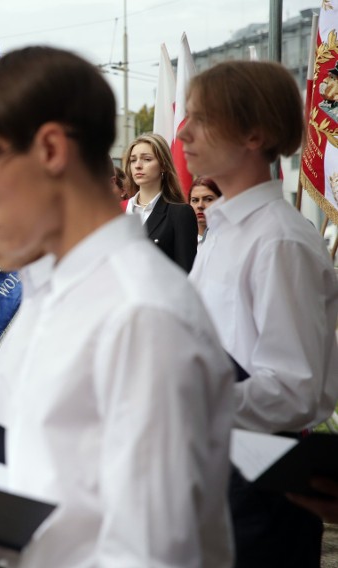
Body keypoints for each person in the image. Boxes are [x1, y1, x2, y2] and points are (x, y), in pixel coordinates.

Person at [0, 46, 235, 567]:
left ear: (49, 150)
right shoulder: (50, 292)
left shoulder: (139, 313)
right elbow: (58, 496)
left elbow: (153, 553)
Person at [181, 60, 338, 568]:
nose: (183, 131)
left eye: (202, 118)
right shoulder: (223, 230)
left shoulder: (279, 240)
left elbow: (295, 388)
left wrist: (183, 399)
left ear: (254, 133)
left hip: (260, 482)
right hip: (211, 467)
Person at [123, 133, 198, 271]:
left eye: (146, 159)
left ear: (163, 165)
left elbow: (185, 272)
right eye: (133, 160)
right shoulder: (117, 210)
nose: (138, 165)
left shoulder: (180, 213)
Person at [188, 177, 222, 244]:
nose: (200, 205)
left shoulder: (231, 238)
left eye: (208, 199)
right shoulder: (180, 240)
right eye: (195, 200)